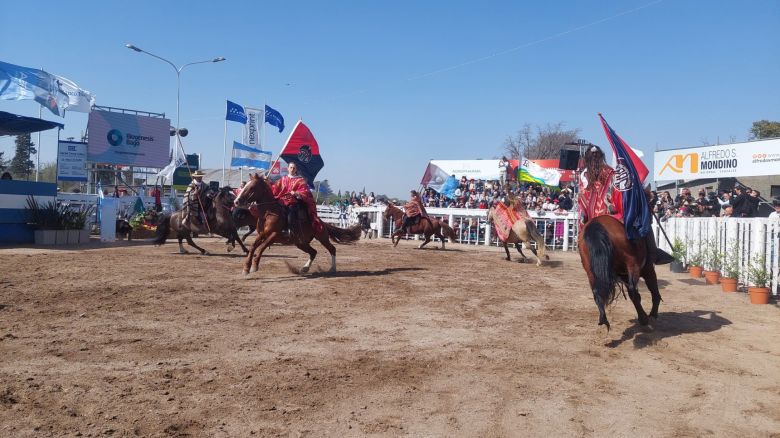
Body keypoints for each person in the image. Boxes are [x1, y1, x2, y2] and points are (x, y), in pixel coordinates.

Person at [578, 145, 672, 264]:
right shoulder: (610, 172)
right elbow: (616, 192)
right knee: (640, 221)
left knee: (583, 237)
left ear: (587, 158)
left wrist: (582, 218)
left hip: (591, 216)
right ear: (602, 157)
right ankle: (653, 253)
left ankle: (580, 247)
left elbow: (582, 200)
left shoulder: (583, 176)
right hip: (611, 213)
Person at [271, 161, 323, 238]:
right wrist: (267, 182)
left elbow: (305, 191)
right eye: (291, 167)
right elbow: (274, 188)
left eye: (294, 168)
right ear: (288, 168)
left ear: (296, 169)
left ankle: (289, 230)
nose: (292, 169)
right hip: (281, 200)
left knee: (290, 210)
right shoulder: (283, 179)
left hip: (293, 201)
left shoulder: (300, 180)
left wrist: (296, 193)